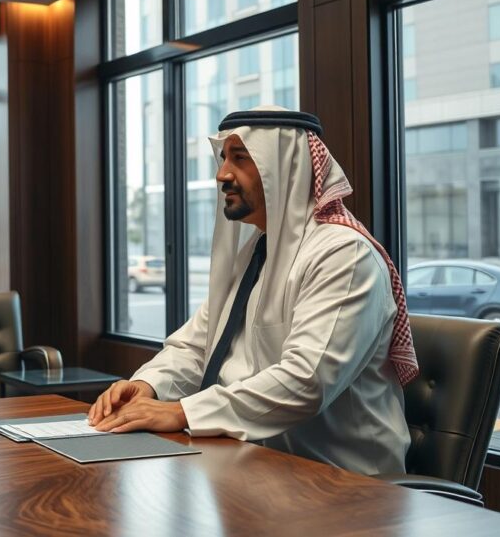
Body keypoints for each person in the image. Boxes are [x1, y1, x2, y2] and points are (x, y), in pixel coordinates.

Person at [88, 106, 419, 475]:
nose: (221, 175)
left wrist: (181, 412)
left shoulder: (343, 256)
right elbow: (198, 346)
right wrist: (148, 386)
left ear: (285, 168)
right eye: (223, 158)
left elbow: (306, 381)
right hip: (253, 467)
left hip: (343, 485)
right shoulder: (256, 252)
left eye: (240, 159)